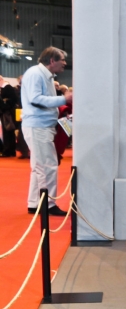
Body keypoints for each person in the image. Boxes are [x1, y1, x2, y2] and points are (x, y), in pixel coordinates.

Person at [22, 47, 73, 216]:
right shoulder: (36, 74)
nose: (64, 63)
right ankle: (48, 204)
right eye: (62, 60)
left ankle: (34, 203)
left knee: (39, 167)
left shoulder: (45, 75)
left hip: (41, 125)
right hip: (38, 126)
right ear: (52, 61)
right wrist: (63, 99)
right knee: (48, 166)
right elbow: (35, 99)